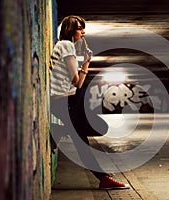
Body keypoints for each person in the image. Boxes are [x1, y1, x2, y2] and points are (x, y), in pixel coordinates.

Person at [49, 15, 130, 190]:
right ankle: (103, 178)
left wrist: (83, 63)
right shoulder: (67, 46)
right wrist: (86, 64)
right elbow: (77, 81)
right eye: (79, 28)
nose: (82, 31)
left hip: (62, 101)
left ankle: (59, 131)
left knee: (86, 137)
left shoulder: (63, 46)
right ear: (70, 30)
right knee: (92, 133)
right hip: (65, 102)